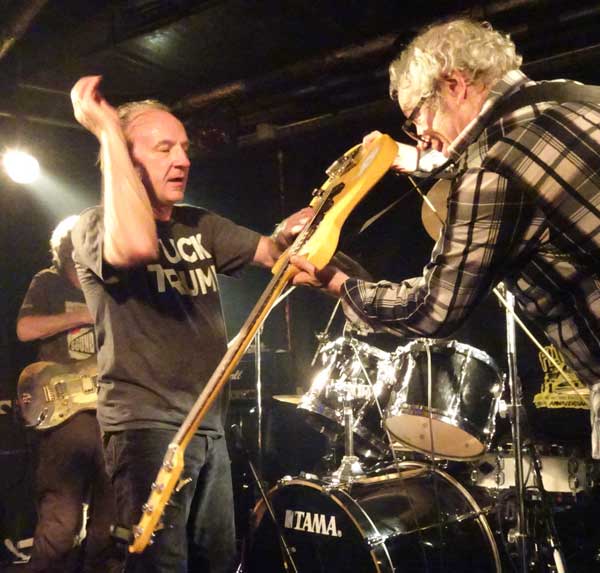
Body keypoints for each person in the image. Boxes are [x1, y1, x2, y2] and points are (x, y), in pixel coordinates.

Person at [290, 18, 600, 458]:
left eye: (415, 117)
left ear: (453, 84)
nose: (420, 134)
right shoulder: (574, 99)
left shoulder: (493, 168)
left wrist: (340, 286)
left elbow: (436, 309)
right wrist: (416, 158)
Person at [69, 75, 311, 573]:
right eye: (164, 149)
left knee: (216, 562)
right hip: (145, 427)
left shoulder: (199, 224)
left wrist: (297, 230)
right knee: (162, 565)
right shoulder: (93, 226)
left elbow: (272, 253)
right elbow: (135, 246)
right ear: (126, 160)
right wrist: (109, 131)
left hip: (207, 426)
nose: (183, 159)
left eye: (183, 147)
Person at [16, 215, 120, 573]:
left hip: (109, 415)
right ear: (65, 248)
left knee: (108, 528)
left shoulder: (110, 287)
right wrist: (82, 318)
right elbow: (25, 329)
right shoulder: (48, 282)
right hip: (63, 419)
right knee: (61, 525)